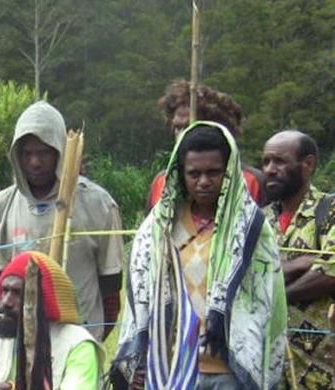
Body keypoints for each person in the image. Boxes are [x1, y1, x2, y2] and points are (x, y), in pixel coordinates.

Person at [113, 122, 286, 389]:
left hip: (229, 369)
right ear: (180, 173)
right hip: (170, 368)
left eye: (213, 172)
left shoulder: (251, 228)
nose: (203, 181)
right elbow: (142, 291)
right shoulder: (159, 227)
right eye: (194, 173)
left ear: (228, 171)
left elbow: (265, 299)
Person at [0, 100, 123, 340]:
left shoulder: (98, 203)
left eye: (44, 153)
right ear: (17, 156)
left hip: (79, 337)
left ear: (60, 151)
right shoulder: (2, 205)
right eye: (27, 154)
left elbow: (111, 283)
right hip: (25, 338)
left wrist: (85, 329)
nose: (35, 163)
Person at [262, 130, 335, 389]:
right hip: (267, 369)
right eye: (266, 161)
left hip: (322, 371)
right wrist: (303, 263)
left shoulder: (329, 210)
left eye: (280, 161)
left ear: (308, 164)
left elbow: (329, 274)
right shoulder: (258, 221)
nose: (270, 169)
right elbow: (246, 276)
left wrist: (272, 299)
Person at [0, 251, 102, 389]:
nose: (6, 302)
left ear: (44, 301)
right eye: (5, 290)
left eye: (18, 293)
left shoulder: (77, 345)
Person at [148, 79, 266, 210]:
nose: (182, 135)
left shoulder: (251, 181)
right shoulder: (161, 183)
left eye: (189, 127)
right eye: (177, 128)